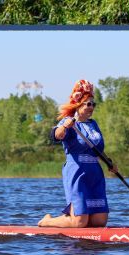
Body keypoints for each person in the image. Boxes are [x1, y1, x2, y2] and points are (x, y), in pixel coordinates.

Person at [38, 79, 116, 228]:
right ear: (78, 105)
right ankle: (47, 221)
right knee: (80, 222)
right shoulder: (69, 122)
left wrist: (109, 162)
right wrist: (64, 127)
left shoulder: (93, 124)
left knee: (99, 221)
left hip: (95, 173)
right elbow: (55, 136)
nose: (91, 107)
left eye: (93, 104)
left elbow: (97, 149)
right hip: (77, 172)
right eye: (88, 104)